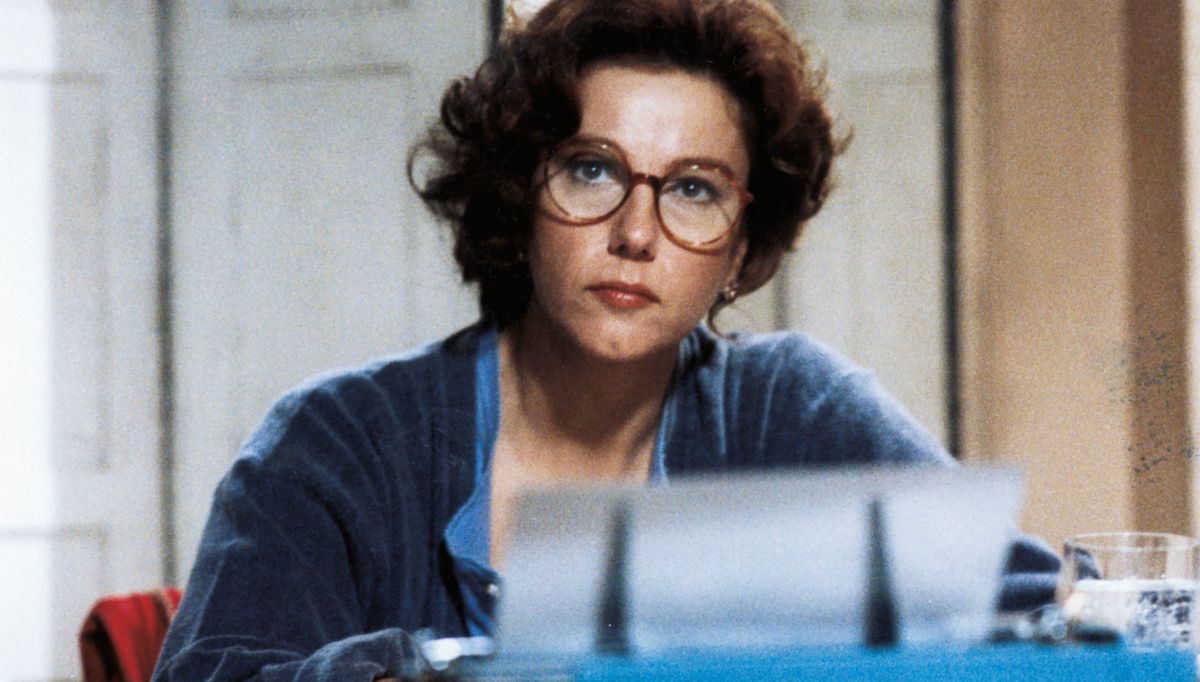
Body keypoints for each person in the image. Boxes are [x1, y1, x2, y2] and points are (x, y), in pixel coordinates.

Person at [153, 0, 1060, 679]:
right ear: (519, 194)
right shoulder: (340, 439)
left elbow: (1044, 627)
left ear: (740, 245)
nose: (636, 232)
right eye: (592, 170)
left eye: (694, 189)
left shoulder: (791, 407)